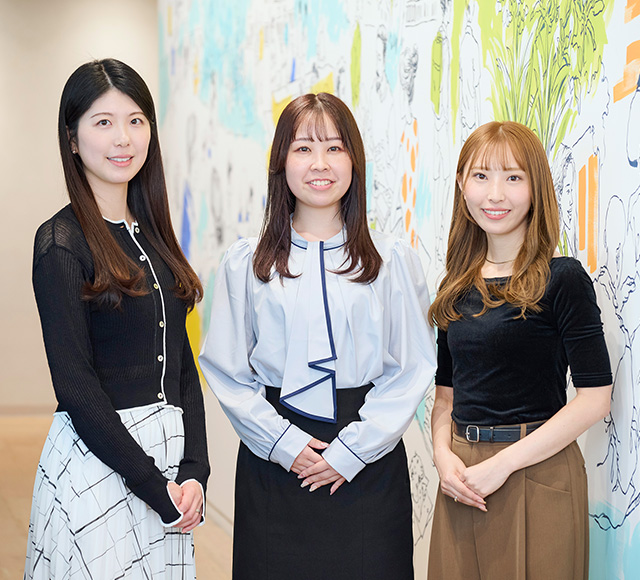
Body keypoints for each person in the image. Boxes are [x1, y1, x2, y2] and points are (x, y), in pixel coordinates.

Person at [199, 92, 436, 580]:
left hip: (369, 458)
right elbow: (227, 371)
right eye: (303, 148)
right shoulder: (246, 263)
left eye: (334, 148)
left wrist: (353, 450)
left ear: (354, 160)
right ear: (281, 162)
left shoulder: (391, 260)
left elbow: (411, 369)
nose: (320, 164)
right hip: (273, 458)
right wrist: (283, 444)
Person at [24, 59, 209, 579]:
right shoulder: (60, 242)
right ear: (73, 138)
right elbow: (75, 385)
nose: (122, 138)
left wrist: (195, 470)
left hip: (169, 476)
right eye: (103, 122)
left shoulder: (155, 235)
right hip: (100, 468)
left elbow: (182, 366)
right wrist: (153, 486)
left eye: (135, 120)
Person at [427, 121, 612, 580]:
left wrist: (502, 465)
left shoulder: (563, 278)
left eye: (513, 177)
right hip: (462, 478)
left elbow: (595, 398)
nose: (495, 194)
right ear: (462, 185)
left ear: (536, 188)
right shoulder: (455, 286)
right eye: (481, 176)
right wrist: (442, 456)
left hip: (537, 471)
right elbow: (445, 397)